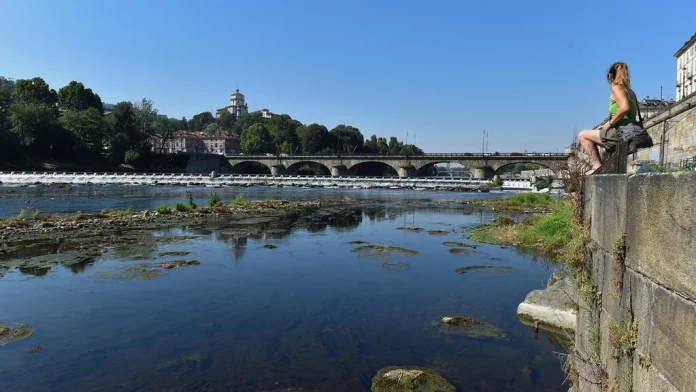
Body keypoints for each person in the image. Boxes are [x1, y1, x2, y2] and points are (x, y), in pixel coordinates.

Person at [578, 62, 638, 175]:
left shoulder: (617, 88)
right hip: (630, 133)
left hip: (620, 134)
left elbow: (625, 108)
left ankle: (596, 166)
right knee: (596, 135)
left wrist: (608, 124)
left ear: (611, 76)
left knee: (583, 135)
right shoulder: (631, 92)